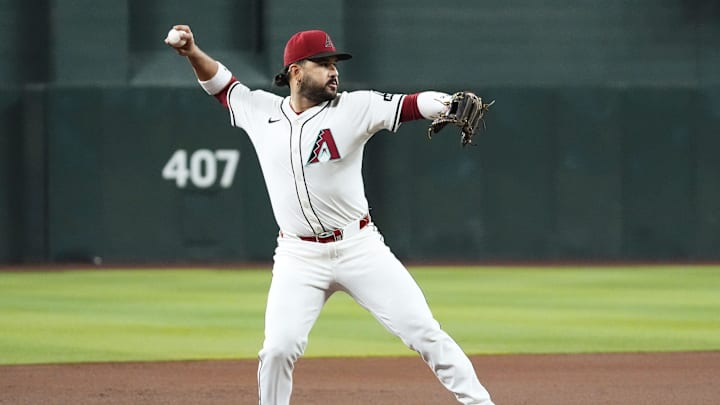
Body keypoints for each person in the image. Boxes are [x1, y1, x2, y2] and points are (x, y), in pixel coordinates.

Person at [166, 25, 495, 405]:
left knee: (424, 332)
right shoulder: (260, 110)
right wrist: (191, 51)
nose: (333, 70)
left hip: (360, 248)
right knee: (277, 350)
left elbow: (410, 104)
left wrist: (449, 104)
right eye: (322, 63)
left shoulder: (354, 108)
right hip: (298, 257)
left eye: (334, 62)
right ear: (296, 71)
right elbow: (221, 85)